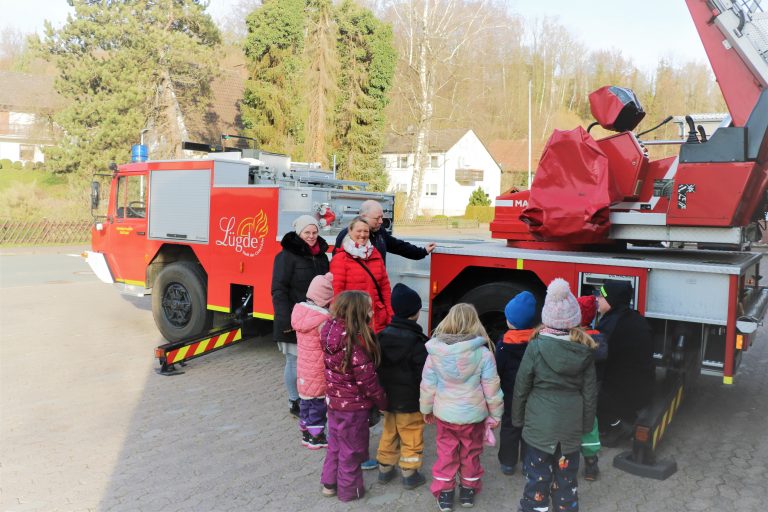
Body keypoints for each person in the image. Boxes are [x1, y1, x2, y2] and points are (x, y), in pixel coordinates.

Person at [511, 278, 597, 512]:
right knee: (566, 482)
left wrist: (517, 419)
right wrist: (586, 425)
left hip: (539, 428)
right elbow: (590, 393)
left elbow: (521, 386)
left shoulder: (536, 345)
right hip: (570, 429)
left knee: (537, 481)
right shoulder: (585, 350)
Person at [420, 303, 504, 512]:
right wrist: (496, 414)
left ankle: (445, 496)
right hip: (473, 417)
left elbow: (428, 384)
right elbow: (492, 388)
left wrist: (426, 409)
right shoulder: (483, 354)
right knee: (471, 453)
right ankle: (467, 492)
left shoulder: (435, 353)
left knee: (446, 454)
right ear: (475, 323)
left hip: (445, 415)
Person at [320, 291, 388, 502]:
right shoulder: (355, 342)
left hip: (334, 401)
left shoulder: (331, 332)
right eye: (369, 309)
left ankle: (329, 484)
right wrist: (382, 402)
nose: (372, 312)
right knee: (351, 451)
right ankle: (350, 491)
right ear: (358, 312)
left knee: (335, 444)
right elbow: (367, 382)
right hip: (353, 408)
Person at [271, 215, 330, 417]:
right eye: (307, 233)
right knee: (294, 361)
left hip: (317, 320)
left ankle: (313, 398)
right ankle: (294, 400)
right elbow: (278, 290)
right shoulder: (285, 257)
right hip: (294, 320)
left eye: (314, 232)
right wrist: (285, 320)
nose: (311, 236)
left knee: (313, 363)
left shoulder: (322, 256)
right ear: (299, 233)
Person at [375, 283, 429, 490]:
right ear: (415, 313)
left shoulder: (381, 337)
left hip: (388, 399)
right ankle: (409, 472)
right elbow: (423, 375)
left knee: (389, 431)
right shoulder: (418, 342)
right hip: (410, 401)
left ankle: (385, 469)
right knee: (411, 434)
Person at [595, 280, 654, 447]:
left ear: (612, 300)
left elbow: (596, 357)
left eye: (602, 296)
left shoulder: (610, 325)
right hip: (643, 389)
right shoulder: (636, 318)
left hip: (625, 394)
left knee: (586, 388)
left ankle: (614, 427)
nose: (597, 299)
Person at [495, 291, 537, 476]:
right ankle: (528, 463)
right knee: (529, 428)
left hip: (510, 394)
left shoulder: (504, 344)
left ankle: (508, 462)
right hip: (532, 395)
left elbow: (497, 370)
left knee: (510, 426)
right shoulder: (537, 341)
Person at [291, 272, 334, 450]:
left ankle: (305, 433)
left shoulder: (300, 313)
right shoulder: (323, 320)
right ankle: (317, 437)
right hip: (317, 369)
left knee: (306, 402)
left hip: (303, 368)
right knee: (318, 405)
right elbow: (328, 344)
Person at [330, 216, 393, 332]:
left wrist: (390, 314)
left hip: (378, 319)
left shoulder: (375, 254)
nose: (362, 235)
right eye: (358, 231)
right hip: (354, 319)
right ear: (350, 231)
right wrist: (342, 320)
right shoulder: (341, 258)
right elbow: (337, 293)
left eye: (366, 231)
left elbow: (385, 288)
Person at [334, 200, 436, 264]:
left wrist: (422, 251)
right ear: (363, 216)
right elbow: (338, 265)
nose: (381, 221)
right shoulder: (347, 235)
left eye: (382, 217)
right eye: (377, 218)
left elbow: (398, 246)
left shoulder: (379, 232)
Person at [577, 294, 605, 481]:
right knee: (590, 425)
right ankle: (591, 464)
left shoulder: (571, 338)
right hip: (591, 390)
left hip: (572, 391)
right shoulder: (598, 338)